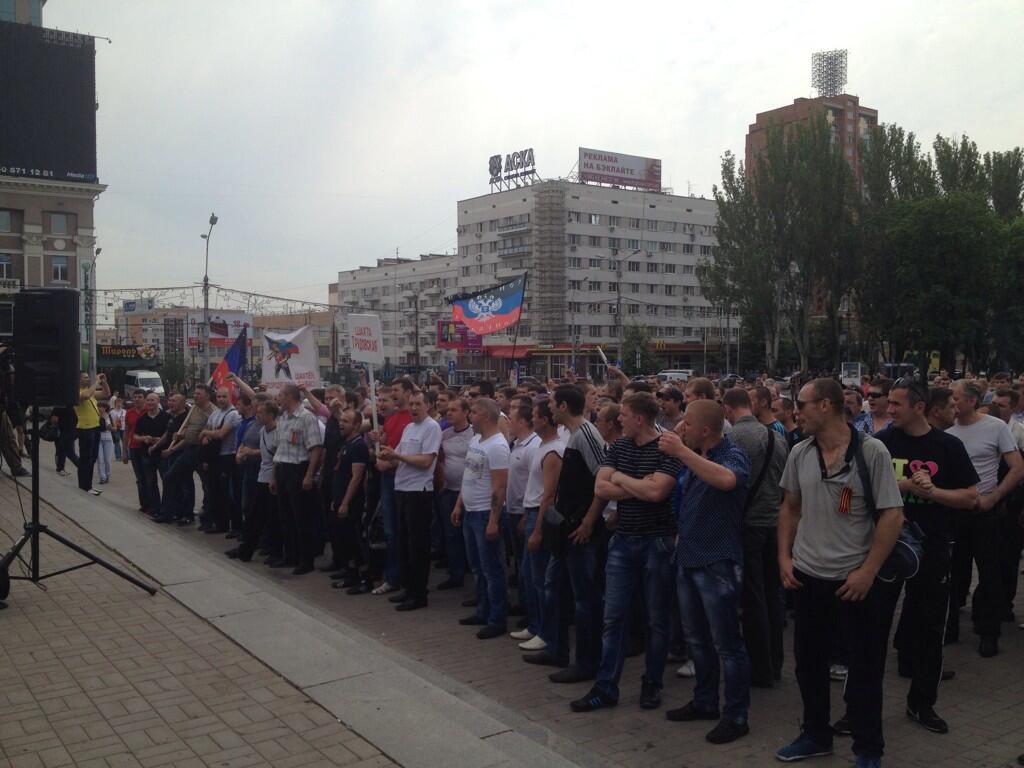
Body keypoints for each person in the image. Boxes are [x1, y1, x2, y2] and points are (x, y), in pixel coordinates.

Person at [776, 378, 904, 767]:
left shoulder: (871, 452)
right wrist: (784, 557)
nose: (796, 411)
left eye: (802, 403)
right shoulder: (800, 452)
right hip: (808, 578)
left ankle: (868, 749)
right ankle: (816, 734)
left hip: (855, 583)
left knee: (864, 670)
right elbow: (790, 508)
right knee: (809, 664)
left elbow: (892, 515)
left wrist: (868, 571)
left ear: (827, 406)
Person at [875, 379, 979, 735]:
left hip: (933, 549)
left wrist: (934, 492)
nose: (889, 410)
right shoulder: (880, 444)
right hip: (884, 550)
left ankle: (922, 704)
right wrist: (900, 487)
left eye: (896, 404)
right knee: (871, 630)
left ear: (919, 407)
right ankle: (859, 707)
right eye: (888, 403)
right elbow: (857, 495)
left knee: (930, 630)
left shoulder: (947, 446)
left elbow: (971, 498)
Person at [571, 392, 682, 714]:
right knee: (613, 617)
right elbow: (601, 488)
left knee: (657, 620)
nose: (618, 420)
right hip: (623, 541)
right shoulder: (618, 447)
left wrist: (621, 480)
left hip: (657, 543)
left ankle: (652, 683)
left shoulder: (668, 447)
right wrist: (634, 483)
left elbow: (657, 492)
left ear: (640, 418)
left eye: (623, 415)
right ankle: (606, 688)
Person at [654, 399, 752, 744]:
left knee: (728, 644)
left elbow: (728, 481)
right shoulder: (695, 454)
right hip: (688, 557)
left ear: (707, 429)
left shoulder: (731, 453)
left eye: (688, 423)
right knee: (697, 639)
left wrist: (682, 451)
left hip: (718, 562)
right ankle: (705, 701)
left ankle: (737, 715)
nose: (682, 428)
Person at [530, 385, 607, 682]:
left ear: (563, 405)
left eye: (551, 403)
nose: (548, 408)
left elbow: (603, 478)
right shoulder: (572, 435)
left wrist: (589, 521)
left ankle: (588, 663)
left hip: (580, 531)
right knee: (556, 587)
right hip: (566, 527)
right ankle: (557, 648)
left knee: (585, 599)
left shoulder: (586, 434)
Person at [946, 380, 1024, 656]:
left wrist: (994, 497)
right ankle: (950, 626)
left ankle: (988, 632)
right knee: (954, 573)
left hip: (984, 511)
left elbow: (1017, 468)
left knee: (990, 573)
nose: (951, 403)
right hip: (954, 511)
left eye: (955, 398)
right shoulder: (947, 430)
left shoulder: (995, 427)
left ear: (971, 400)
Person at [722, 387, 788, 689]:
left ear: (727, 408)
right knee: (772, 595)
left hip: (749, 525)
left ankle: (760, 667)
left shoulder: (737, 437)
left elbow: (731, 484)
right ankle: (774, 661)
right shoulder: (776, 435)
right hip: (774, 523)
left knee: (753, 597)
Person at [452, 397, 510, 639]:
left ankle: (497, 618)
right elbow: (468, 474)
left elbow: (499, 487)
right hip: (470, 510)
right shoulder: (477, 440)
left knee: (492, 569)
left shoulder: (497, 446)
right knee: (477, 566)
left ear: (485, 416)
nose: (471, 416)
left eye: (474, 412)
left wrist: (494, 521)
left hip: (486, 513)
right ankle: (482, 610)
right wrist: (459, 504)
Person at [380, 390, 443, 612]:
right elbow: (397, 457)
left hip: (419, 491)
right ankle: (407, 587)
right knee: (404, 543)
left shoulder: (432, 428)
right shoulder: (408, 427)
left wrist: (397, 457)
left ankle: (419, 593)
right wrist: (385, 456)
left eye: (418, 404)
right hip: (402, 489)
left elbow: (426, 461)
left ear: (428, 406)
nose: (414, 408)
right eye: (412, 404)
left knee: (418, 545)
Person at [519, 398, 565, 650]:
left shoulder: (553, 451)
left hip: (542, 517)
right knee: (530, 576)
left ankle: (547, 632)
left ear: (545, 420)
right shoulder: (542, 445)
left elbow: (548, 495)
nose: (531, 419)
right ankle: (536, 624)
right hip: (532, 512)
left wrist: (537, 530)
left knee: (542, 579)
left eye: (535, 415)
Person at [271, 384, 324, 575]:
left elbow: (315, 448)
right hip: (283, 468)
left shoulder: (306, 418)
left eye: (281, 395)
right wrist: (274, 476)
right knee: (285, 516)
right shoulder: (282, 417)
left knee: (301, 517)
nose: (278, 399)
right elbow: (279, 448)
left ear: (291, 397)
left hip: (298, 469)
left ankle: (305, 560)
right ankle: (290, 555)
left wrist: (309, 475)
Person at [505, 403, 539, 632]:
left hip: (525, 513)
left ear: (524, 422)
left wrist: (528, 516)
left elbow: (535, 484)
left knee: (530, 568)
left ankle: (533, 616)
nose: (508, 422)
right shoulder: (516, 444)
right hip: (513, 509)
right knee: (520, 563)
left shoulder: (533, 446)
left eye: (511, 418)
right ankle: (525, 605)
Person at [158, 385, 213, 526]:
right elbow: (188, 429)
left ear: (207, 395)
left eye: (198, 394)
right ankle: (168, 513)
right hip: (189, 449)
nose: (195, 396)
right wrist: (181, 435)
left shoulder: (213, 412)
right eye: (194, 394)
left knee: (207, 485)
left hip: (203, 451)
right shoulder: (193, 409)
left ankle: (206, 516)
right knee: (171, 477)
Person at [328, 408, 369, 587]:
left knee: (353, 540)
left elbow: (356, 477)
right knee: (344, 539)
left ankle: (360, 576)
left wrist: (345, 502)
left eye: (346, 421)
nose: (341, 424)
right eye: (341, 420)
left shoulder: (359, 445)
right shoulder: (346, 443)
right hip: (339, 497)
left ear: (356, 425)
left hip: (351, 501)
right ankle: (349, 573)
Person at [436, 398, 472, 590]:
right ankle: (455, 573)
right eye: (448, 410)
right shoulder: (445, 434)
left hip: (468, 491)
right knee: (451, 534)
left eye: (454, 410)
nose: (449, 413)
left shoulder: (474, 434)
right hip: (449, 490)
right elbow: (439, 456)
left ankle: (470, 569)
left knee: (469, 534)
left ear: (466, 412)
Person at [198, 387, 241, 534]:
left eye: (224, 396)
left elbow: (221, 434)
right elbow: (206, 432)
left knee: (228, 493)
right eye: (219, 397)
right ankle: (220, 523)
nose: (221, 399)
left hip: (228, 456)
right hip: (214, 457)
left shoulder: (233, 414)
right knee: (215, 491)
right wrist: (206, 434)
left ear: (230, 397)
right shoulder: (215, 414)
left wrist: (206, 433)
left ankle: (235, 525)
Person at [74, 372, 110, 494]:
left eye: (88, 377)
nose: (88, 379)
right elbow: (85, 396)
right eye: (85, 377)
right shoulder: (76, 391)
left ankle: (88, 485)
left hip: (95, 428)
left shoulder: (90, 391)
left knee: (92, 458)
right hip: (85, 428)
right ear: (78, 380)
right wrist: (96, 382)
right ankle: (84, 486)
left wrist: (103, 382)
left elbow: (106, 394)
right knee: (86, 458)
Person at [133, 392, 169, 514]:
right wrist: (143, 438)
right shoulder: (142, 419)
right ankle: (155, 507)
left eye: (152, 400)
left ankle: (166, 507)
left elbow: (171, 434)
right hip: (146, 455)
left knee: (166, 480)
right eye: (148, 400)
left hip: (162, 454)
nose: (150, 402)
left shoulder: (166, 417)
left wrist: (161, 440)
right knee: (150, 482)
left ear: (158, 401)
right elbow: (135, 436)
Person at [96, 402, 115, 484]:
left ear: (106, 408)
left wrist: (107, 422)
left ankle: (107, 475)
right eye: (99, 407)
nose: (100, 408)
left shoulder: (109, 416)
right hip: (97, 438)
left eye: (102, 407)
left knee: (107, 459)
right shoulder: (95, 416)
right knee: (100, 459)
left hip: (108, 438)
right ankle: (102, 477)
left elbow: (114, 428)